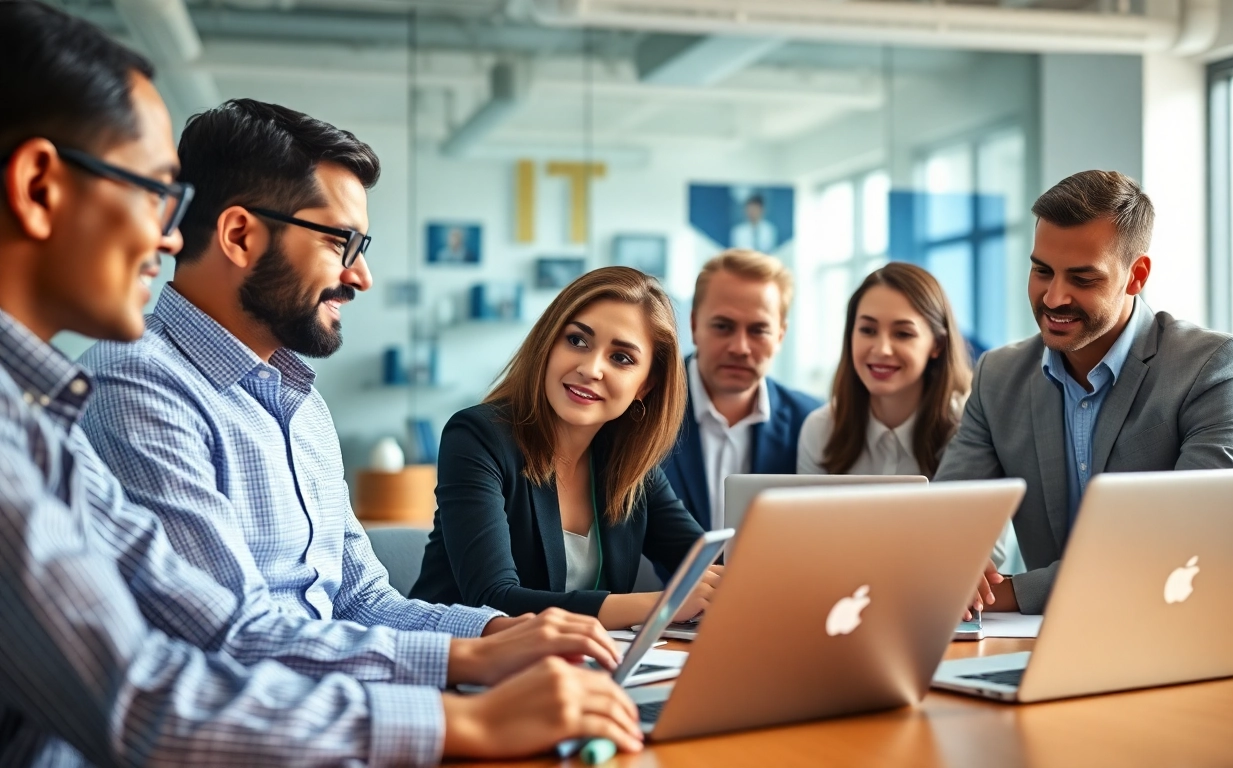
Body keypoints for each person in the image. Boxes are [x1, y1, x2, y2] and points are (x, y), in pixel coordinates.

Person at [0, 3, 640, 763]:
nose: (169, 232)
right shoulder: (121, 385)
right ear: (40, 186)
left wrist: (496, 640)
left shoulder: (271, 398)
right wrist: (462, 713)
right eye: (152, 194)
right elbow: (178, 669)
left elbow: (355, 602)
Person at [79, 94, 625, 687]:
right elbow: (229, 638)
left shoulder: (301, 402)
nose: (359, 275)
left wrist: (504, 634)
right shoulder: (134, 384)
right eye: (340, 242)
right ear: (239, 236)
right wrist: (465, 662)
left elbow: (364, 603)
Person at [935, 170, 1233, 615]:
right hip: (1039, 644)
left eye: (1082, 279)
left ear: (1136, 275)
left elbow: (1196, 540)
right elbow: (951, 528)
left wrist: (1010, 594)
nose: (1053, 298)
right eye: (1041, 271)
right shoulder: (999, 375)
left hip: (1180, 628)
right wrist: (958, 570)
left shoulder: (1215, 368)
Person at [411, 267, 718, 630]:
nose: (590, 368)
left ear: (645, 387)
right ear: (548, 344)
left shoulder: (630, 466)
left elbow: (705, 561)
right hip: (453, 663)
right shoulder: (477, 437)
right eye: (577, 340)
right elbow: (492, 601)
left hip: (575, 666)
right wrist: (663, 605)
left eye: (621, 358)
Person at [661, 249, 821, 533]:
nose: (740, 348)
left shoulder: (812, 423)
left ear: (780, 336)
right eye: (723, 326)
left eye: (758, 330)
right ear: (695, 325)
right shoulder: (643, 408)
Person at [798, 261, 972, 478]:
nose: (882, 350)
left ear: (937, 345)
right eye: (868, 330)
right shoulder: (821, 430)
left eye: (903, 334)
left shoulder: (966, 429)